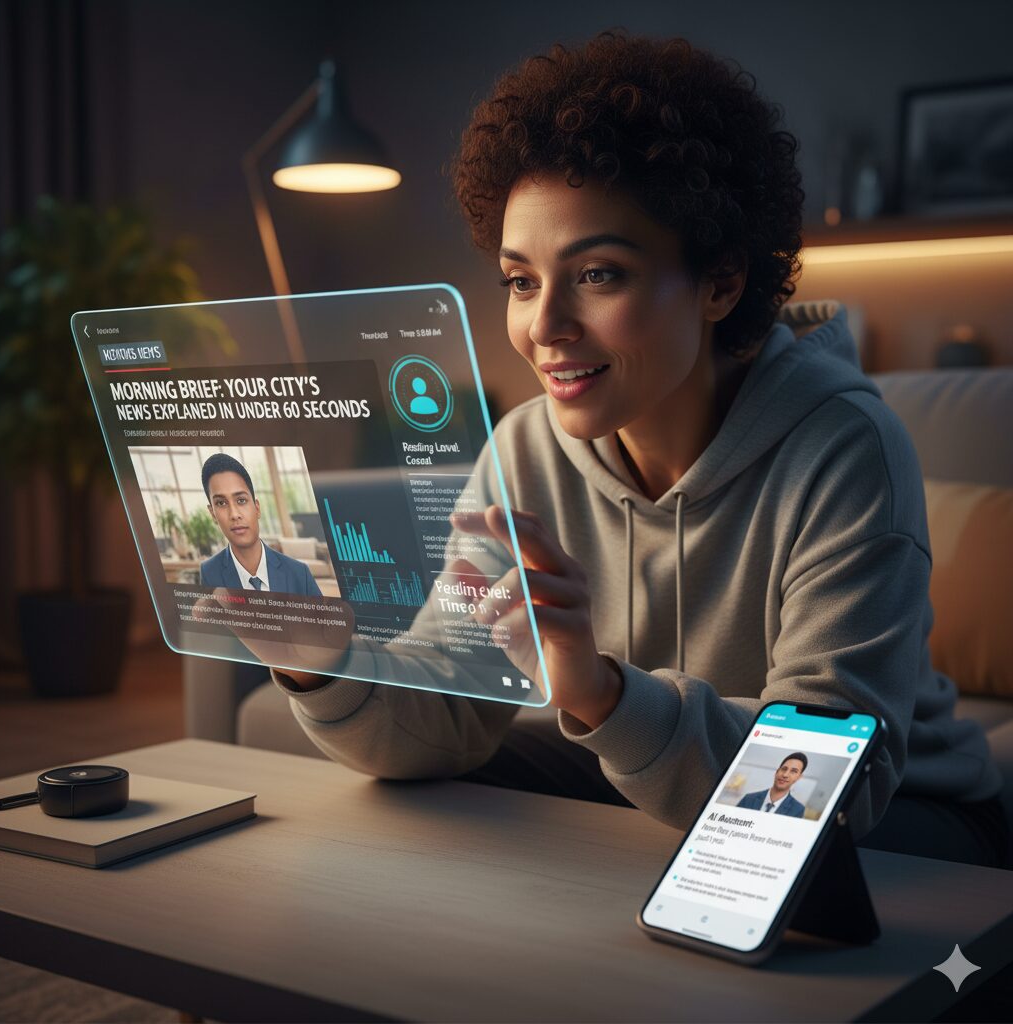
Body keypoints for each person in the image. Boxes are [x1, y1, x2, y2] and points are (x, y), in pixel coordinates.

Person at [269, 33, 1007, 867]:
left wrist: (600, 692)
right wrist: (317, 658)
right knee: (445, 796)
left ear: (721, 283)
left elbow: (810, 790)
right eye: (520, 280)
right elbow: (446, 716)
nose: (543, 328)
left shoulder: (847, 450)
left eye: (599, 275)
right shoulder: (523, 449)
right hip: (654, 778)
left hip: (908, 821)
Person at [198, 453, 322, 597]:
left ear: (257, 508)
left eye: (241, 500)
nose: (234, 514)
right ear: (213, 513)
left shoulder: (299, 574)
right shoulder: (209, 573)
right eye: (221, 503)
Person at [738, 753, 808, 818]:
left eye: (793, 771)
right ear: (777, 772)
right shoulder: (748, 799)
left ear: (798, 777)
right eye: (784, 769)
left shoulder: (797, 810)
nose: (785, 775)